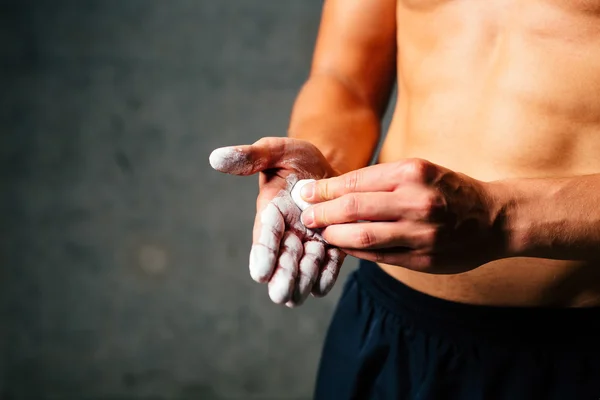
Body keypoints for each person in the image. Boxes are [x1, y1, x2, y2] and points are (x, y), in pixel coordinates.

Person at [210, 1, 600, 398]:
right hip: (387, 322)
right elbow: (345, 80)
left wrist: (501, 218)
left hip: (578, 349)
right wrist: (318, 176)